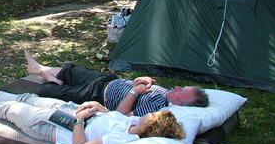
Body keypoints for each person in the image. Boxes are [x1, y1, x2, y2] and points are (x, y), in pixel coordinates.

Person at [0, 77, 185, 144]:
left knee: (12, 111)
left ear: (151, 127)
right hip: (73, 111)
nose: (148, 115)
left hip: (57, 127)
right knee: (29, 98)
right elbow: (115, 116)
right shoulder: (132, 124)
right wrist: (98, 107)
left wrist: (79, 120)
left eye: (151, 117)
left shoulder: (122, 142)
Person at [22, 50, 209, 116]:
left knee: (46, 91)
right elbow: (154, 85)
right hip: (108, 80)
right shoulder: (167, 93)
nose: (176, 87)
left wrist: (135, 92)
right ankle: (39, 69)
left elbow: (121, 115)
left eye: (180, 91)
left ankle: (51, 80)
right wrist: (150, 80)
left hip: (97, 96)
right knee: (72, 71)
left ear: (180, 104)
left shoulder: (158, 108)